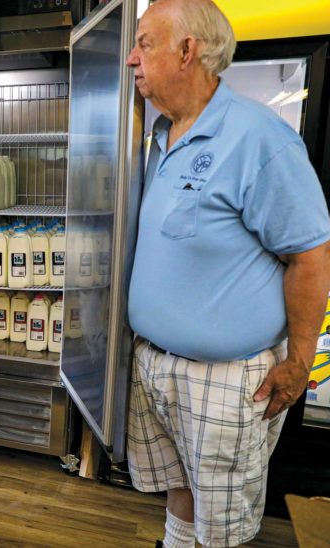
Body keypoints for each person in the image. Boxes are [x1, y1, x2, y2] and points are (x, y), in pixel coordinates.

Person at [125, 1, 330, 546]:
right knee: (180, 489)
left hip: (225, 378)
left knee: (224, 526)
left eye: (144, 42)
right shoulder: (155, 134)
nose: (130, 59)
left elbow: (310, 254)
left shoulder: (259, 138)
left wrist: (301, 361)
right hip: (157, 363)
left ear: (188, 51)